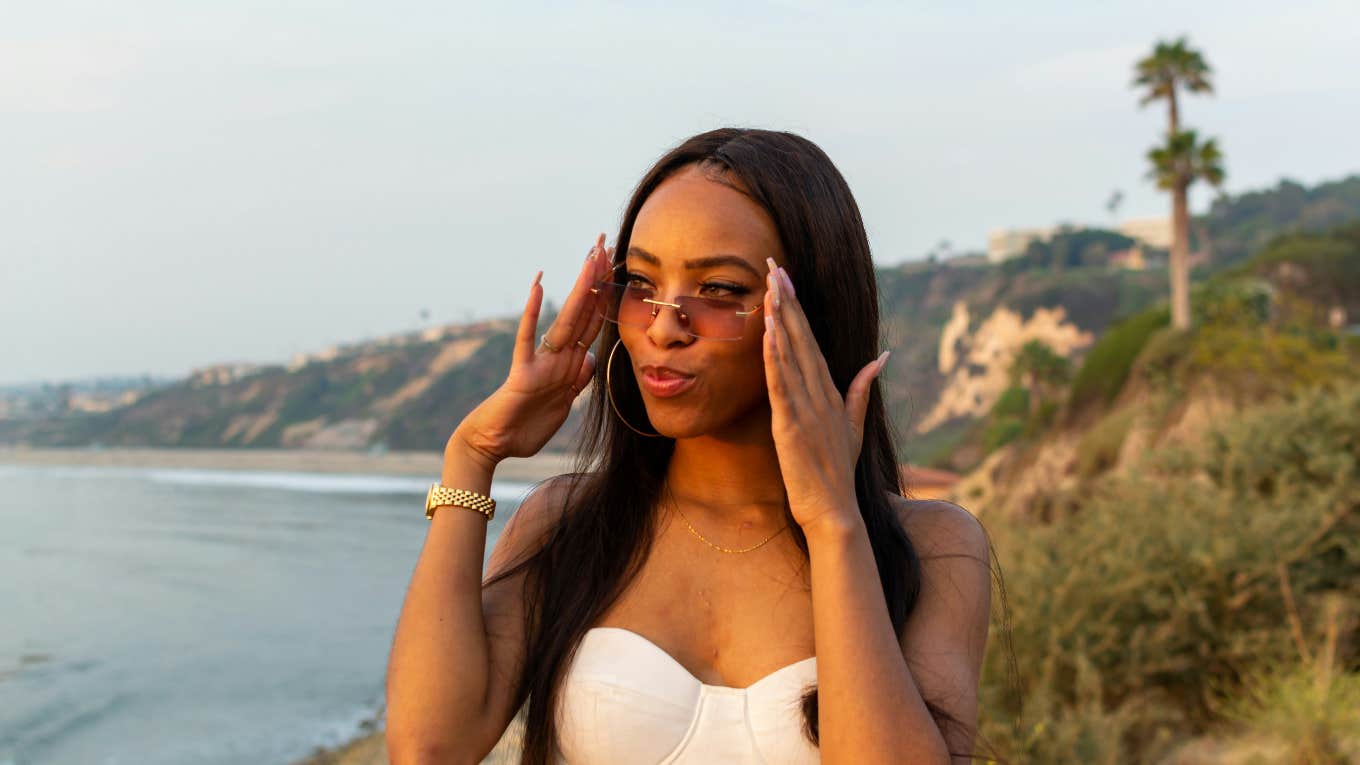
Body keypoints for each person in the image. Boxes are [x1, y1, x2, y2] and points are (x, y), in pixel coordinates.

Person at [385, 128, 993, 764]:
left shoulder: (933, 549)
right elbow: (428, 748)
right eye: (642, 283)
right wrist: (473, 455)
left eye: (720, 290)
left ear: (813, 309)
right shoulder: (568, 526)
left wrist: (833, 521)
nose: (664, 324)